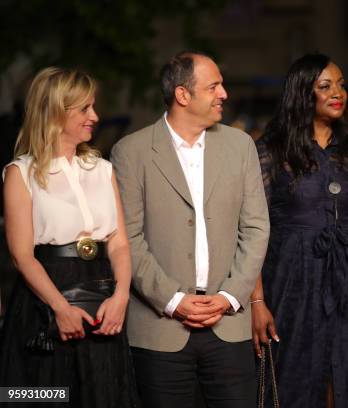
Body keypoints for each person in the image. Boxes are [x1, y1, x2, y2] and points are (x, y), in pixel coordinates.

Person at [111, 51, 269, 408]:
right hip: (159, 330)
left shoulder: (240, 146)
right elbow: (127, 238)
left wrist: (230, 296)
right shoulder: (130, 152)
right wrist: (173, 300)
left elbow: (257, 228)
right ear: (183, 95)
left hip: (228, 325)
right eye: (214, 86)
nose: (224, 94)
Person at [249, 53, 348, 408]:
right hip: (291, 283)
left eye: (341, 84)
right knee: (296, 383)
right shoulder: (270, 150)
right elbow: (252, 231)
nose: (338, 92)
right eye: (325, 86)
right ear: (303, 93)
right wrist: (257, 302)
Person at [0, 67, 139, 407]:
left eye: (93, 107)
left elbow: (119, 242)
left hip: (104, 298)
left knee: (104, 394)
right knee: (43, 396)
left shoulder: (102, 169)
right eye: (84, 109)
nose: (95, 116)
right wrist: (60, 308)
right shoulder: (21, 173)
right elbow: (22, 256)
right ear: (54, 111)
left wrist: (121, 297)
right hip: (45, 300)